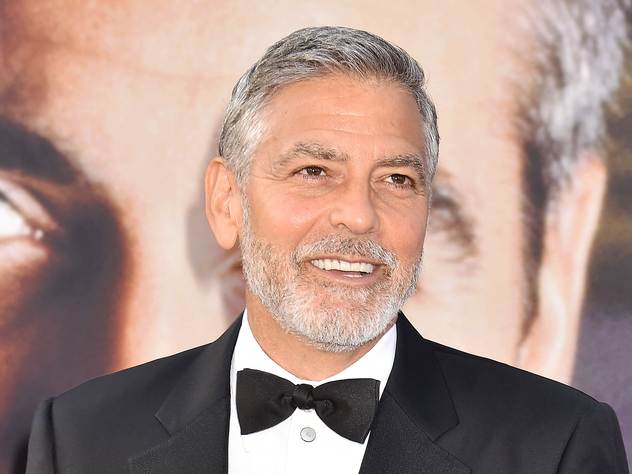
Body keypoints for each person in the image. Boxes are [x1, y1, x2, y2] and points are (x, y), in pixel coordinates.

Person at [3, 1, 630, 471]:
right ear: (226, 202)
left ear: (558, 268)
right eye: (312, 172)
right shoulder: (76, 438)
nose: (356, 216)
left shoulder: (561, 444)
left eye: (397, 179)